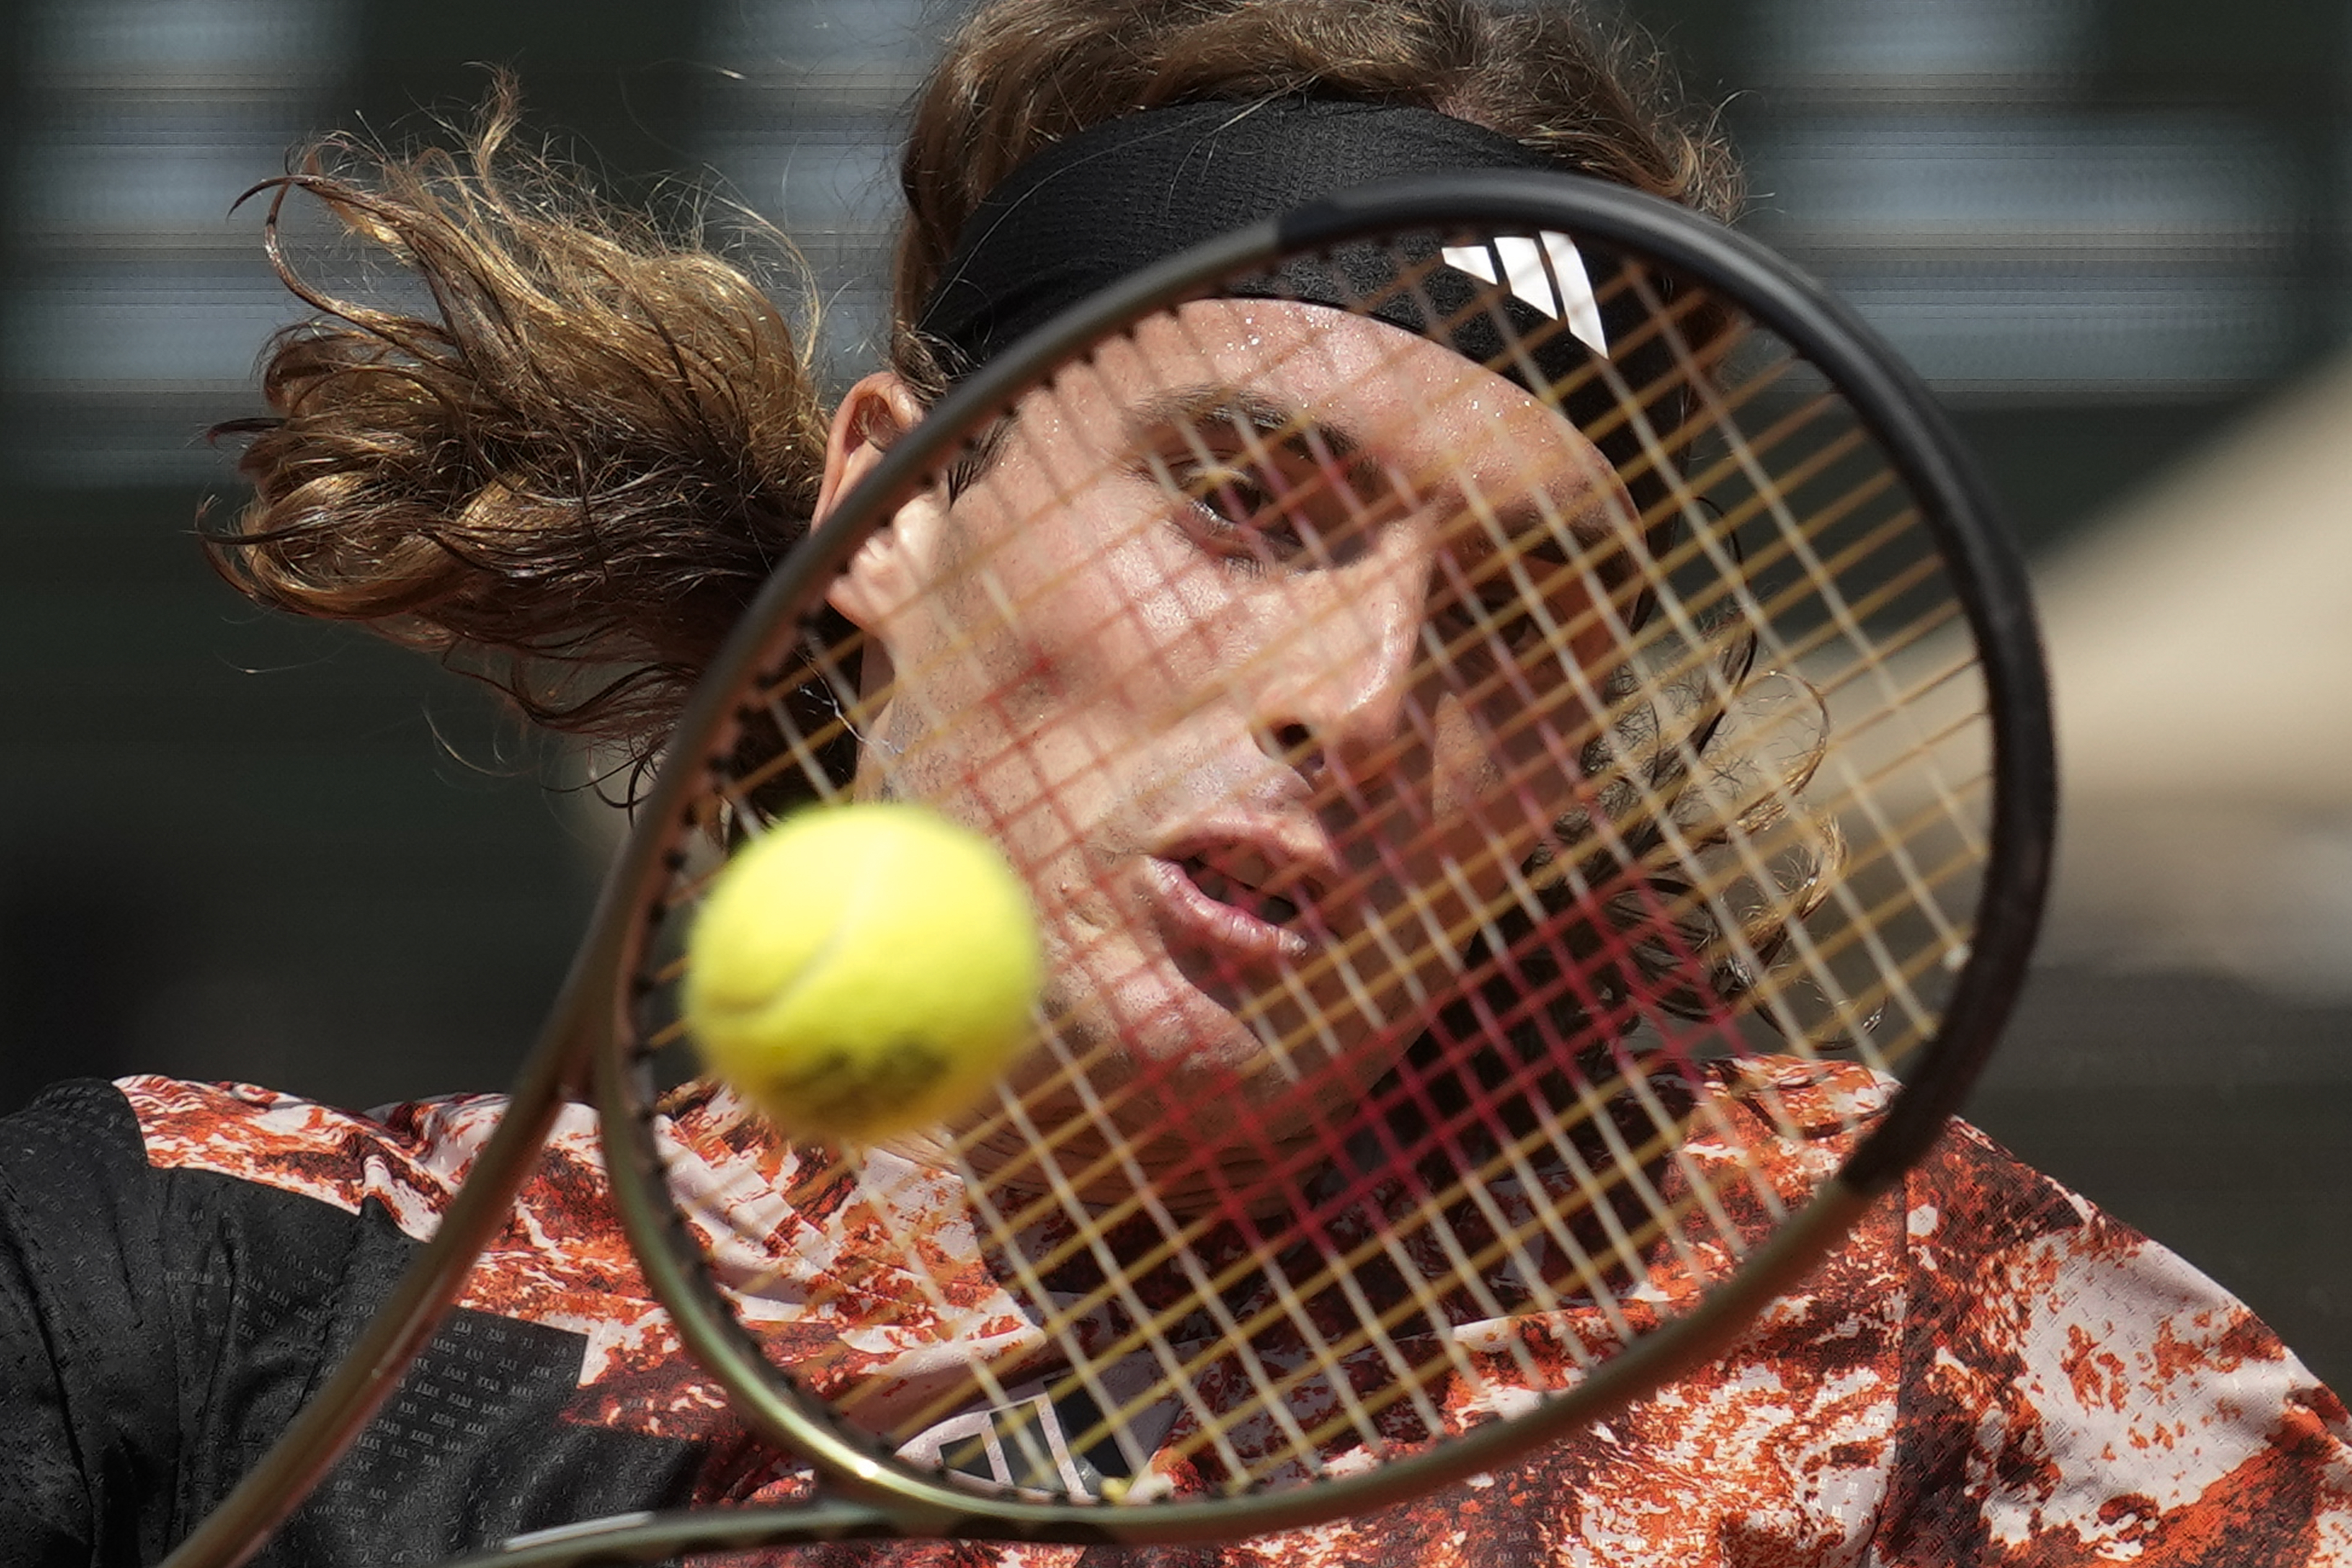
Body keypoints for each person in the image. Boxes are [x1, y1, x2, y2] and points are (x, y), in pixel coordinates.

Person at [3, 1, 2347, 1564]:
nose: (1368, 686)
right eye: (1244, 503)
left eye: (1525, 612)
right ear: (888, 512)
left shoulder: (1936, 1349)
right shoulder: (206, 1302)